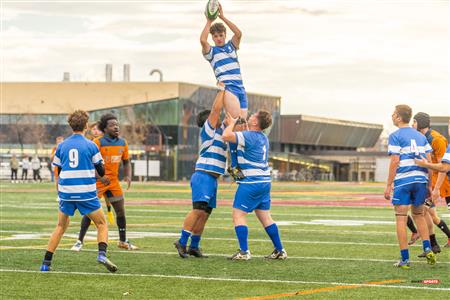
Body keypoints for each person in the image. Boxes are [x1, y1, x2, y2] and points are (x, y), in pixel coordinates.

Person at [40, 110, 117, 272]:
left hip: (66, 192)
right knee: (101, 224)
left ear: (70, 125)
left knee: (60, 226)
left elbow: (59, 170)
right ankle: (102, 254)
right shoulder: (91, 145)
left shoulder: (61, 146)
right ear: (86, 126)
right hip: (86, 193)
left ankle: (46, 263)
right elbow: (101, 171)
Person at [222, 109, 287, 260]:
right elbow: (241, 143)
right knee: (265, 217)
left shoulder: (250, 136)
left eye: (253, 116)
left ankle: (244, 252)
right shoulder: (263, 137)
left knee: (238, 214)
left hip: (252, 182)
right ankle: (279, 249)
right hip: (264, 181)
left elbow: (226, 136)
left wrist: (231, 124)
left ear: (256, 122)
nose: (250, 116)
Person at [174, 85, 227, 258]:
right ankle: (181, 242)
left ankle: (194, 246)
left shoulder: (221, 132)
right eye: (216, 117)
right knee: (197, 210)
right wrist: (222, 91)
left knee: (205, 214)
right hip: (203, 175)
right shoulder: (209, 130)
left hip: (212, 178)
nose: (219, 118)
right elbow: (216, 109)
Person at [71, 113, 136, 252]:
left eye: (117, 124)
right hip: (98, 182)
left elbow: (126, 162)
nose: (116, 127)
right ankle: (79, 241)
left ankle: (123, 240)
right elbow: (88, 163)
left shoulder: (123, 143)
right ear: (104, 128)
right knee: (90, 212)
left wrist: (128, 176)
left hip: (113, 182)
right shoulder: (98, 142)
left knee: (120, 211)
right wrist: (100, 177)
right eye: (112, 125)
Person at [384, 105, 436, 269]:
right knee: (419, 215)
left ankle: (405, 260)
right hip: (420, 179)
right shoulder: (421, 136)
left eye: (393, 114)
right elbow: (428, 160)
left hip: (404, 179)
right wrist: (429, 184)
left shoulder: (395, 135)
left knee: (400, 217)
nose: (392, 116)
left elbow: (394, 161)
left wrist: (388, 185)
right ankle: (428, 249)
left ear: (399, 117)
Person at [200, 3, 246, 180]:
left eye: (221, 35)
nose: (218, 38)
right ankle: (234, 166)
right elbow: (203, 41)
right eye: (216, 36)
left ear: (225, 35)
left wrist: (223, 17)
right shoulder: (211, 52)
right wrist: (208, 21)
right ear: (213, 37)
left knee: (241, 129)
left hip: (241, 88)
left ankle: (236, 164)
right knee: (236, 123)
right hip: (229, 89)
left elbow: (239, 33)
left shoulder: (231, 47)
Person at [411, 112, 450, 252]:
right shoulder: (420, 138)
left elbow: (443, 167)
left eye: (414, 122)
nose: (411, 125)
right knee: (427, 212)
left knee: (424, 211)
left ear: (420, 124)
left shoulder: (436, 139)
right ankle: (433, 245)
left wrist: (436, 188)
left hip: (444, 182)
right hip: (431, 182)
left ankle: (432, 243)